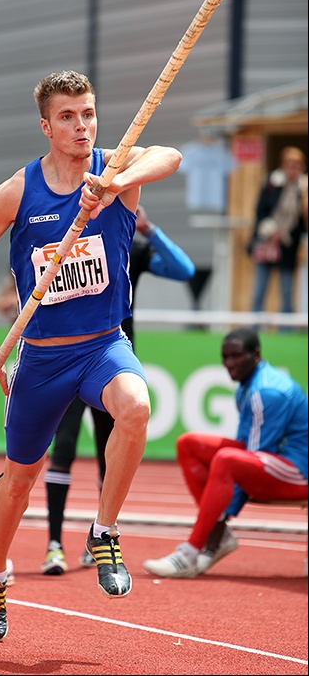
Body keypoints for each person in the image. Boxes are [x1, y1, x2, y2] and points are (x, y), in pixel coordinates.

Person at [0, 70, 182, 642]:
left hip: (102, 345)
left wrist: (113, 184)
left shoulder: (117, 168)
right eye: (68, 117)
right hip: (42, 359)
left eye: (89, 114)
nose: (81, 126)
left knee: (136, 407)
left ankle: (104, 531)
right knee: (19, 483)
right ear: (46, 126)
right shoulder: (19, 192)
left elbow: (166, 155)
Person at [42, 205, 195, 575]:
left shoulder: (130, 247)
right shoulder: (68, 240)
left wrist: (149, 228)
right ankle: (54, 546)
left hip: (112, 365)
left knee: (108, 456)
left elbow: (184, 270)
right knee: (61, 449)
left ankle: (97, 537)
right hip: (67, 359)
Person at [142, 326, 308, 579]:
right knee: (188, 444)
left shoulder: (268, 391)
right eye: (225, 357)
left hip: (298, 472)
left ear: (256, 354)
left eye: (236, 356)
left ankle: (190, 552)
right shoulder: (248, 385)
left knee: (226, 459)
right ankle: (217, 534)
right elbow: (248, 447)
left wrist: (227, 509)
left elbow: (254, 455)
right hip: (276, 461)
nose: (229, 364)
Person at [248, 146, 308, 315]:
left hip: (289, 242)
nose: (293, 167)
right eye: (290, 163)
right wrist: (272, 231)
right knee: (260, 287)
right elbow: (261, 210)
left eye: (297, 163)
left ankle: (286, 331)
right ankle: (255, 326)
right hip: (266, 239)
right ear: (283, 164)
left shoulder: (304, 187)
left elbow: (303, 220)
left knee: (287, 290)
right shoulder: (273, 182)